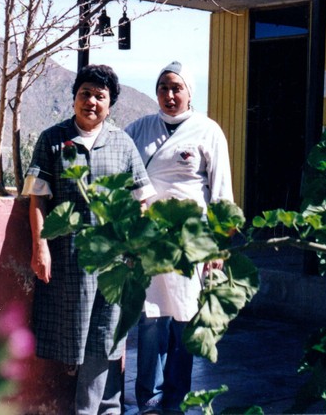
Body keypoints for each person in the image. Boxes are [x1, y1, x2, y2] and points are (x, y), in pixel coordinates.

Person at [23, 63, 155, 415]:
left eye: (100, 96)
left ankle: (94, 410)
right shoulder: (53, 140)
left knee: (107, 334)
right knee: (79, 336)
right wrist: (41, 246)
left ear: (109, 105)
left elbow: (142, 200)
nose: (92, 102)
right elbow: (38, 198)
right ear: (73, 98)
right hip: (69, 259)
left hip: (114, 260)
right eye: (86, 94)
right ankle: (105, 407)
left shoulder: (122, 143)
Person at [125, 61, 234, 415]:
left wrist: (217, 244)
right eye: (163, 88)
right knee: (151, 319)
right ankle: (149, 399)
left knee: (185, 320)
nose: (169, 95)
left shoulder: (208, 131)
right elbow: (121, 171)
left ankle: (176, 398)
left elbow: (221, 192)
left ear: (189, 92)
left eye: (176, 88)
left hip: (193, 242)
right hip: (151, 240)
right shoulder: (139, 129)